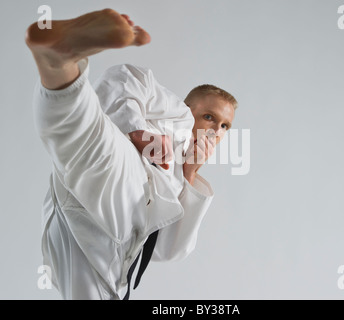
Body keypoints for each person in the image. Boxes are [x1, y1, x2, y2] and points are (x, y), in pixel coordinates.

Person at [25, 8, 237, 300]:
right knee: (83, 132)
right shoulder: (177, 115)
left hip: (100, 249)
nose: (216, 130)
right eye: (210, 116)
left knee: (78, 137)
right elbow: (124, 78)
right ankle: (57, 61)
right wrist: (138, 131)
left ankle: (58, 61)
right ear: (189, 107)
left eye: (225, 125)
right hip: (127, 174)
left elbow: (167, 250)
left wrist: (190, 173)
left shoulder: (182, 178)